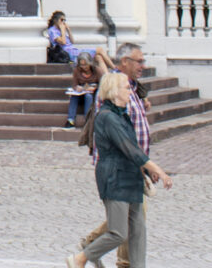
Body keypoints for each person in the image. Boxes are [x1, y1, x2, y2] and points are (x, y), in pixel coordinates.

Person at [67, 72, 172, 268]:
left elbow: (133, 149)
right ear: (114, 92)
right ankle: (81, 258)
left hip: (131, 176)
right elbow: (130, 149)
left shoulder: (122, 116)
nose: (130, 91)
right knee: (118, 232)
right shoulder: (107, 118)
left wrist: (146, 170)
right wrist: (158, 169)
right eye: (126, 87)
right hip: (114, 178)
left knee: (138, 230)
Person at [77, 44, 154, 268]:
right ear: (124, 62)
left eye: (143, 60)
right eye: (138, 61)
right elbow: (118, 133)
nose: (143, 65)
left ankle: (94, 246)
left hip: (135, 164)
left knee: (130, 218)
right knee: (132, 219)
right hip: (122, 167)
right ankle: (112, 256)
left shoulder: (130, 87)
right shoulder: (115, 86)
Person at [68, 52, 100, 128]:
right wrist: (77, 88)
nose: (84, 67)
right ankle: (70, 120)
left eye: (86, 64)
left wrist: (94, 87)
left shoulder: (96, 70)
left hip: (92, 94)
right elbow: (74, 84)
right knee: (74, 96)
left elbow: (102, 83)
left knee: (88, 96)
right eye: (81, 65)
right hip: (81, 93)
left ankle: (88, 120)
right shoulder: (77, 71)